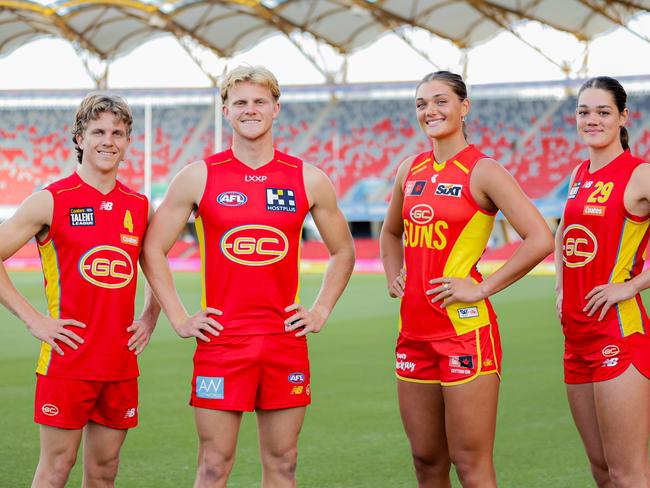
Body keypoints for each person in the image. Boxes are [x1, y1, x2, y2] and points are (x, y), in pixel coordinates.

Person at [142, 65, 355, 488]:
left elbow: (344, 250)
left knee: (284, 463)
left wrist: (321, 310)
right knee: (214, 465)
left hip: (284, 341)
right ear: (225, 110)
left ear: (276, 108)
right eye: (240, 102)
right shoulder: (199, 176)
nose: (250, 110)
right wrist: (180, 317)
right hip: (221, 342)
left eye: (260, 101)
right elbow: (151, 248)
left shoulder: (307, 178)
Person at [380, 71, 554, 488]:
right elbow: (390, 233)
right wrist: (393, 275)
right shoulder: (410, 168)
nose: (430, 111)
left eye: (440, 101)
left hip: (465, 334)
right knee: (426, 461)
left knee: (470, 464)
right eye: (422, 104)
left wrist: (482, 287)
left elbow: (541, 238)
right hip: (414, 334)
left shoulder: (484, 171)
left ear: (464, 106)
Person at [0, 93, 159, 487]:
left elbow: (158, 265)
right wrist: (34, 319)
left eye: (118, 133)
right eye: (99, 131)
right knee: (55, 470)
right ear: (79, 138)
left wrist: (150, 317)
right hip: (66, 361)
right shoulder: (50, 201)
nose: (109, 140)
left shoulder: (139, 206)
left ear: (127, 141)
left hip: (120, 364)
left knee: (104, 472)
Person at [555, 76, 650, 487]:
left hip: (619, 333)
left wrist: (630, 286)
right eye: (583, 112)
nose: (591, 120)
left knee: (627, 472)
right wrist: (560, 289)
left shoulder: (639, 173)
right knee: (601, 470)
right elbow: (563, 235)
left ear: (624, 117)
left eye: (602, 111)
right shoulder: (578, 172)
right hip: (576, 336)